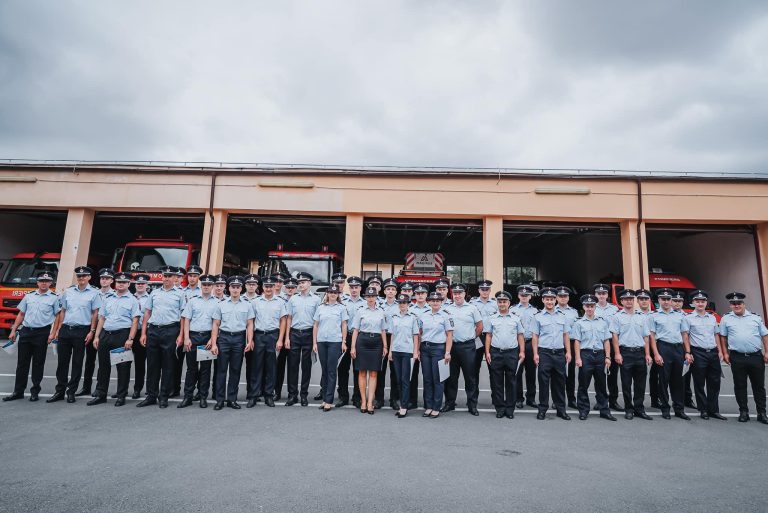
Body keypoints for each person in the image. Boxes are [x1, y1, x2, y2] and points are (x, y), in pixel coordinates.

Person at [4, 271, 61, 403]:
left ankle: (35, 392)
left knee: (38, 363)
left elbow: (58, 316)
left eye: (47, 281)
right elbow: (21, 314)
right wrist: (13, 330)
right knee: (22, 364)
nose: (44, 283)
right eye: (41, 281)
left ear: (51, 283)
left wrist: (53, 333)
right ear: (37, 282)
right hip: (26, 331)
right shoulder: (29, 296)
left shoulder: (54, 298)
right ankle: (18, 391)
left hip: (42, 333)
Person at [47, 266, 100, 404]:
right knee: (62, 363)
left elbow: (95, 313)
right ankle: (59, 391)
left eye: (84, 276)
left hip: (82, 330)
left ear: (89, 277)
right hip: (65, 329)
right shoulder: (68, 291)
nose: (81, 278)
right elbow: (63, 311)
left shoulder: (94, 293)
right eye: (79, 276)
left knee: (77, 362)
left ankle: (71, 392)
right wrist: (59, 328)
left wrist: (92, 331)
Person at [86, 272, 140, 407]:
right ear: (115, 283)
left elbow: (135, 321)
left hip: (122, 335)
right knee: (103, 366)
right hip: (106, 334)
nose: (121, 284)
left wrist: (130, 338)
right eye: (119, 282)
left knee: (123, 367)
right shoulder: (108, 298)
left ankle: (121, 395)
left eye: (124, 282)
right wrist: (97, 336)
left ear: (128, 284)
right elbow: (102, 318)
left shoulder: (133, 300)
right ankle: (101, 394)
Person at [137, 266, 184, 409]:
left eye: (170, 276)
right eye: (165, 276)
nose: (167, 278)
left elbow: (183, 316)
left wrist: (181, 335)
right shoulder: (154, 293)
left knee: (168, 365)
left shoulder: (180, 294)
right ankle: (151, 395)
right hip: (153, 330)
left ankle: (164, 396)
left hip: (171, 330)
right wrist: (143, 333)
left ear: (175, 278)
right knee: (152, 365)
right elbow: (147, 313)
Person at [719, 292, 768, 424]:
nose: (736, 305)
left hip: (755, 356)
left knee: (759, 386)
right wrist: (725, 353)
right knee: (740, 385)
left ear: (743, 304)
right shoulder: (726, 319)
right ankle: (743, 412)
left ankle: (762, 413)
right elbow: (723, 337)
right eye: (733, 303)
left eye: (739, 303)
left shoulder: (755, 318)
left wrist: (767, 352)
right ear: (730, 305)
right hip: (737, 357)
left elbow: (764, 336)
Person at [209, 276, 255, 410]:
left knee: (235, 370)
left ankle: (232, 399)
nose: (235, 289)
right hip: (224, 338)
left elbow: (250, 324)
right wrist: (214, 343)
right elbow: (215, 324)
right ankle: (219, 400)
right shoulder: (221, 304)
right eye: (233, 287)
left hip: (239, 339)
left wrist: (249, 340)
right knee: (221, 370)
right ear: (229, 288)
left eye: (238, 287)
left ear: (241, 289)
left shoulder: (247, 305)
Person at [649, 288, 692, 420]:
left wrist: (687, 352)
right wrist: (656, 354)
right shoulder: (654, 316)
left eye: (668, 299)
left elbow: (684, 335)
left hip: (678, 348)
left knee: (679, 380)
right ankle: (665, 408)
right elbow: (652, 337)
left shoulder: (680, 316)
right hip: (663, 347)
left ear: (671, 300)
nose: (666, 301)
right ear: (659, 300)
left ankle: (679, 409)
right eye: (663, 299)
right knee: (663, 380)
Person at [571, 294, 616, 421]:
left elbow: (606, 341)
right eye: (587, 306)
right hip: (586, 355)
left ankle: (604, 410)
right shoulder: (579, 323)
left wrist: (608, 357)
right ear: (583, 307)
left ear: (595, 307)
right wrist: (578, 358)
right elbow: (577, 342)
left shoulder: (602, 322)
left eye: (592, 306)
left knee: (601, 385)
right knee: (583, 385)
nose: (590, 308)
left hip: (600, 355)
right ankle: (583, 410)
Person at [610, 289, 653, 420]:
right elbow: (615, 336)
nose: (629, 301)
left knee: (640, 383)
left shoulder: (642, 317)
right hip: (625, 353)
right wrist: (617, 353)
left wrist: (647, 354)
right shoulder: (617, 317)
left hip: (640, 353)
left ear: (634, 301)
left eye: (631, 299)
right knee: (626, 383)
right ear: (621, 301)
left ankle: (639, 408)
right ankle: (629, 409)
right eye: (626, 299)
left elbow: (646, 337)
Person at [683, 290, 726, 420]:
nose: (700, 303)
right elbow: (685, 336)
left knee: (715, 382)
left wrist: (720, 351)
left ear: (706, 303)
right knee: (699, 382)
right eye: (697, 301)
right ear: (693, 303)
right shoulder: (688, 318)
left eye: (702, 301)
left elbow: (716, 335)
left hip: (712, 352)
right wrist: (688, 352)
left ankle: (713, 410)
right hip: (698, 352)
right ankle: (703, 410)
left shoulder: (712, 318)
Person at [178, 274, 219, 409]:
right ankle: (188, 397)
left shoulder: (217, 303)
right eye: (204, 284)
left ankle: (202, 397)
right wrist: (186, 338)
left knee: (206, 369)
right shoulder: (192, 301)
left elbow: (217, 323)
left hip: (208, 337)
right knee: (191, 369)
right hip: (193, 337)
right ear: (202, 286)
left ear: (212, 287)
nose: (206, 287)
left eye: (209, 285)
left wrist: (212, 340)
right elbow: (187, 320)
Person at [443, 283, 483, 415]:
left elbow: (480, 326)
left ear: (464, 294)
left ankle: (472, 405)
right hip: (453, 346)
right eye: (455, 293)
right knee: (451, 377)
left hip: (468, 347)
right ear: (452, 295)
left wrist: (471, 337)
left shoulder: (472, 308)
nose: (457, 295)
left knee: (470, 377)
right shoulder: (447, 309)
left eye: (460, 293)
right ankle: (450, 403)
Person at [531, 287, 571, 420]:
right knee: (543, 382)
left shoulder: (562, 316)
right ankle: (542, 409)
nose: (549, 301)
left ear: (555, 300)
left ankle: (561, 409)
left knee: (560, 382)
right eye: (547, 299)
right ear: (543, 300)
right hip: (544, 353)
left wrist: (568, 352)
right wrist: (535, 354)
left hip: (559, 353)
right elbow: (535, 336)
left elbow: (566, 335)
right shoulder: (537, 317)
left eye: (552, 299)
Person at [249, 275, 288, 408]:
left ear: (274, 287)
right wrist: (250, 339)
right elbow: (251, 321)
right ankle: (254, 395)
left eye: (271, 286)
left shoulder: (280, 302)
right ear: (262, 287)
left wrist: (280, 339)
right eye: (266, 286)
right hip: (259, 335)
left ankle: (269, 395)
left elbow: (283, 321)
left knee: (271, 367)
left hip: (273, 336)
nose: (268, 289)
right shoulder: (255, 302)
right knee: (256, 366)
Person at [485, 290, 525, 419]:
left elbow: (520, 335)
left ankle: (510, 408)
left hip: (511, 353)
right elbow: (488, 335)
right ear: (497, 303)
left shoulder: (516, 318)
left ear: (509, 303)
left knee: (511, 381)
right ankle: (500, 408)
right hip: (496, 352)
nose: (502, 304)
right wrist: (487, 352)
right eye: (500, 301)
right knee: (496, 382)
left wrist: (522, 352)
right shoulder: (491, 318)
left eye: (504, 301)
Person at [76, 268, 115, 397]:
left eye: (107, 278)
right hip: (92, 327)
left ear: (112, 280)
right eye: (102, 278)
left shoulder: (115, 294)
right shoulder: (93, 293)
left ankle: (100, 388)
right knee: (89, 359)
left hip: (106, 329)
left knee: (104, 361)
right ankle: (86, 387)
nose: (104, 280)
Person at [351, 286, 388, 414]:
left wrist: (385, 346)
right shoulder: (360, 311)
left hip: (376, 343)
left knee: (373, 373)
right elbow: (356, 330)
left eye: (373, 296)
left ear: (376, 297)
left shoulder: (381, 311)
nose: (370, 298)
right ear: (365, 297)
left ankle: (370, 402)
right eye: (368, 296)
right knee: (362, 373)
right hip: (362, 341)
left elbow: (383, 330)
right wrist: (353, 347)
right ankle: (363, 401)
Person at [285, 272, 320, 406]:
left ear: (309, 283)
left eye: (303, 282)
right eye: (299, 283)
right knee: (292, 366)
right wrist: (287, 337)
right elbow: (289, 318)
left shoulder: (316, 300)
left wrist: (315, 340)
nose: (301, 284)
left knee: (306, 366)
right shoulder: (293, 299)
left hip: (308, 334)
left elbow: (317, 321)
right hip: (294, 334)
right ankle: (292, 395)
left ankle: (304, 395)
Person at [312, 285, 349, 411]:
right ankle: (324, 399)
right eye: (330, 292)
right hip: (322, 341)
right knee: (324, 370)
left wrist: (343, 341)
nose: (333, 294)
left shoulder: (341, 308)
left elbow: (344, 325)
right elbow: (315, 325)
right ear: (327, 293)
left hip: (335, 342)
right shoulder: (321, 307)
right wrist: (314, 343)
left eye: (335, 292)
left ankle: (329, 400)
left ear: (338, 294)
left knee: (331, 371)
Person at [418, 291, 453, 419]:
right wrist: (418, 349)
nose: (435, 303)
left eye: (438, 301)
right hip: (425, 349)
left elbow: (449, 335)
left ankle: (436, 407)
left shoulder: (446, 316)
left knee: (437, 379)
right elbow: (420, 333)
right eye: (433, 301)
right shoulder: (424, 315)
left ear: (441, 302)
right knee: (427, 379)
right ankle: (428, 406)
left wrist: (447, 352)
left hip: (438, 349)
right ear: (429, 302)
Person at [388, 293, 420, 418]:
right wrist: (390, 351)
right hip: (396, 350)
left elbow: (416, 336)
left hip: (408, 351)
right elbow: (392, 335)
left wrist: (415, 351)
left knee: (405, 379)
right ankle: (402, 403)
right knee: (398, 379)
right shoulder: (394, 317)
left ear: (408, 304)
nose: (402, 305)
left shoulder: (413, 317)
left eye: (404, 303)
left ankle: (404, 407)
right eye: (400, 303)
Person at [337, 276, 365, 407]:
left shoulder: (365, 303)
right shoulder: (343, 302)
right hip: (345, 337)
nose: (354, 290)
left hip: (359, 338)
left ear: (360, 288)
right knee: (343, 368)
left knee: (358, 369)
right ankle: (343, 396)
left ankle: (357, 397)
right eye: (352, 287)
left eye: (356, 287)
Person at [469, 279, 498, 409]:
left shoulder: (496, 304)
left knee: (494, 370)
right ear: (479, 290)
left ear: (490, 290)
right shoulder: (472, 304)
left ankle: (496, 399)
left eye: (487, 289)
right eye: (482, 289)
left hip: (491, 337)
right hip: (477, 337)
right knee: (474, 370)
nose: (485, 292)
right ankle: (473, 400)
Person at [594, 283, 621, 410]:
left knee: (613, 374)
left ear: (607, 295)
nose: (601, 296)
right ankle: (600, 401)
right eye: (599, 293)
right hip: (598, 343)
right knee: (599, 375)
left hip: (611, 342)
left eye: (603, 293)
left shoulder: (614, 309)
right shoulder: (592, 308)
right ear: (595, 295)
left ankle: (613, 400)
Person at [375, 278, 400, 409]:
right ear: (384, 291)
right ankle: (379, 398)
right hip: (381, 338)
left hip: (395, 338)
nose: (390, 291)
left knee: (395, 371)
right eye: (388, 289)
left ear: (396, 292)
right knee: (380, 370)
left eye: (393, 289)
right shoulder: (379, 304)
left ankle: (394, 399)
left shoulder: (400, 305)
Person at [512, 284, 538, 408]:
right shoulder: (512, 310)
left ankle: (531, 398)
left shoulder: (535, 311)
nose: (524, 297)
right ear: (518, 296)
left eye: (526, 295)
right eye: (522, 295)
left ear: (530, 296)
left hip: (531, 343)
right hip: (517, 343)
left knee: (531, 372)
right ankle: (518, 398)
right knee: (517, 372)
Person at [407, 284, 431, 409]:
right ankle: (412, 400)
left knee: (428, 375)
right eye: (418, 293)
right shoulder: (410, 309)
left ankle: (428, 402)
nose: (420, 295)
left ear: (427, 294)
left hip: (428, 344)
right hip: (413, 344)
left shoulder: (432, 308)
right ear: (414, 295)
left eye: (422, 293)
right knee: (412, 373)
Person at [635, 288, 660, 408]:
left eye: (646, 299)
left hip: (655, 346)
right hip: (640, 346)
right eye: (641, 299)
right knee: (639, 375)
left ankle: (655, 399)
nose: (644, 301)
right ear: (637, 301)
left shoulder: (655, 315)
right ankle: (638, 402)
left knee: (656, 374)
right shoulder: (634, 314)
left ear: (649, 300)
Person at [555, 286, 579, 409]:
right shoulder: (552, 310)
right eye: (560, 296)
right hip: (557, 344)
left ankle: (571, 399)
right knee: (557, 374)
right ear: (556, 298)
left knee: (571, 374)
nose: (563, 298)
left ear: (568, 298)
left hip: (571, 344)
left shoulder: (574, 312)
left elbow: (576, 330)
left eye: (565, 296)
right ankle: (557, 400)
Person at [672, 290, 696, 409]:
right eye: (675, 301)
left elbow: (689, 334)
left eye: (680, 301)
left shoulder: (687, 316)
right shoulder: (668, 315)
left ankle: (687, 399)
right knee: (673, 376)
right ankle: (674, 400)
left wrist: (688, 351)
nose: (677, 303)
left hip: (685, 349)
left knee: (686, 375)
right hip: (673, 348)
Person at [274, 276, 297, 400]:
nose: (290, 289)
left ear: (296, 288)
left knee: (292, 366)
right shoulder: (278, 299)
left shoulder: (298, 300)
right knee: (278, 365)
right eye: (288, 287)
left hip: (294, 334)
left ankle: (292, 393)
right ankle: (276, 392)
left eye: (293, 287)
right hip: (280, 334)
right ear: (285, 288)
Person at [242, 273, 262, 404]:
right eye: (249, 284)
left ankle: (253, 391)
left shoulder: (260, 300)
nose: (251, 286)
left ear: (257, 286)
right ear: (245, 285)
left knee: (254, 365)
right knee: (237, 365)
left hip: (254, 336)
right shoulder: (239, 298)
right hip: (239, 335)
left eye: (253, 284)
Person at [131, 272, 151, 399]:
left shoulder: (150, 298)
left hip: (144, 332)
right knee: (127, 362)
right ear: (135, 284)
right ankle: (126, 388)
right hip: (129, 332)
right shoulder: (129, 298)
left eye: (143, 283)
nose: (140, 285)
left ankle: (143, 388)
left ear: (147, 285)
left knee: (145, 362)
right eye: (138, 283)